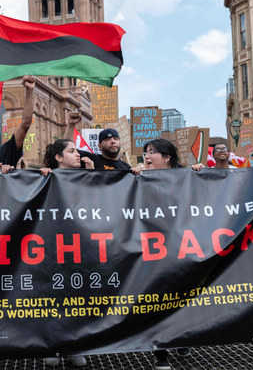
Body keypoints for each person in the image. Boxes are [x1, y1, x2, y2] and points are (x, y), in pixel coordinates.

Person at [131, 139, 190, 370]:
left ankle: (182, 337)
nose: (147, 156)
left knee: (183, 296)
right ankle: (161, 351)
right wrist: (132, 178)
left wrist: (197, 174)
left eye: (152, 152)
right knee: (158, 299)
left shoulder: (185, 177)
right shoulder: (139, 177)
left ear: (167, 157)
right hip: (153, 249)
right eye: (146, 152)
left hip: (181, 247)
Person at [39, 138, 89, 368]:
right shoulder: (44, 177)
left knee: (79, 298)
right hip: (51, 247)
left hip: (80, 247)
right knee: (53, 298)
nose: (77, 154)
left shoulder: (88, 177)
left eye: (77, 151)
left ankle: (75, 346)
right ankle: (54, 346)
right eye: (72, 151)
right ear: (58, 158)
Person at [64, 111, 131, 170]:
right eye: (107, 139)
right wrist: (71, 125)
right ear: (99, 146)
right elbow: (67, 149)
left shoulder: (127, 168)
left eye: (116, 139)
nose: (113, 141)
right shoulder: (91, 159)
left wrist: (137, 173)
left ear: (119, 143)